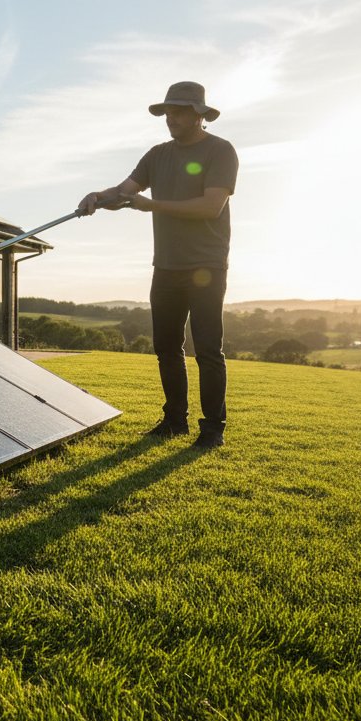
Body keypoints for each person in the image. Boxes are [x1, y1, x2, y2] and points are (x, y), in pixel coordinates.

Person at [78, 81, 239, 448]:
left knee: (208, 350)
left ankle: (212, 429)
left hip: (206, 266)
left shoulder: (221, 151)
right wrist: (98, 197)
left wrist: (154, 205)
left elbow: (210, 206)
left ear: (198, 115)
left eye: (179, 111)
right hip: (166, 266)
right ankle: (174, 421)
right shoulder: (156, 155)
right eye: (167, 111)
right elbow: (125, 191)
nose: (171, 117)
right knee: (166, 348)